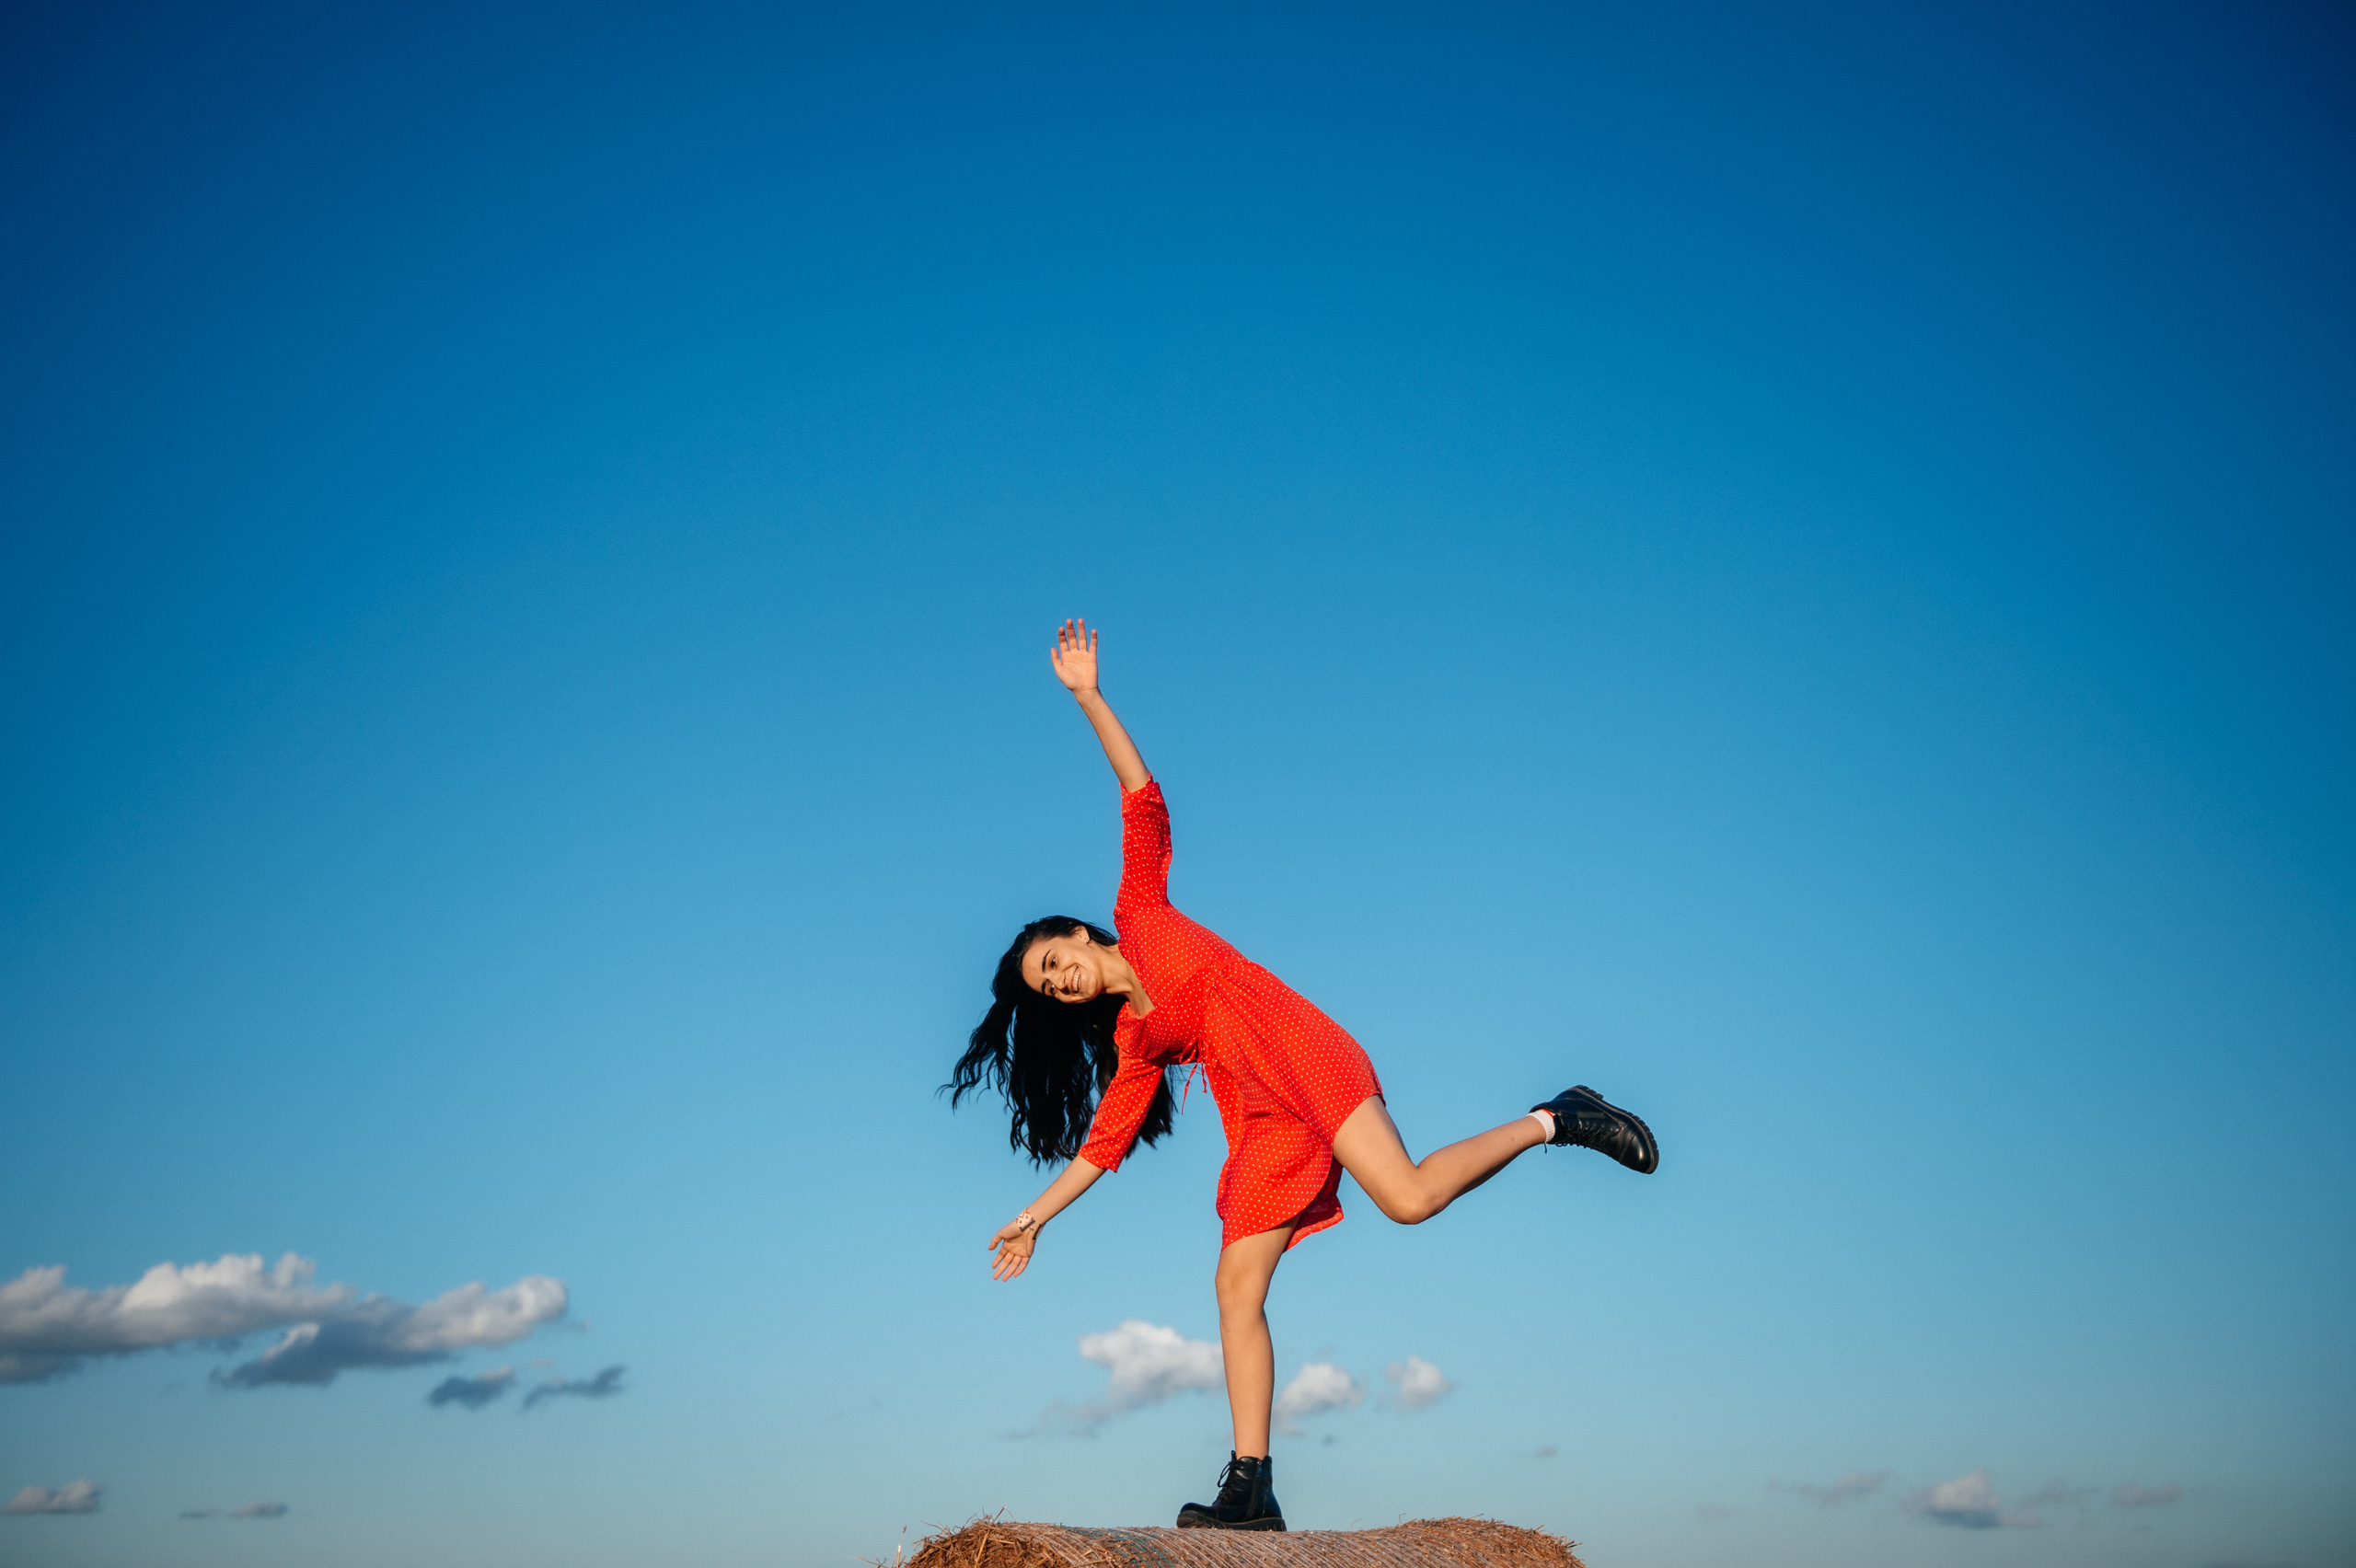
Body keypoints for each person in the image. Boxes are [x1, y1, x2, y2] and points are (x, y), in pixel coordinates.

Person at [949, 620, 1658, 1532]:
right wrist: (1033, 1219)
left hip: (1300, 1048)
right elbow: (1103, 1146)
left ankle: (1558, 1116)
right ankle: (1252, 1483)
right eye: (1049, 987)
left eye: (1057, 959)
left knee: (1403, 1200)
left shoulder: (1141, 907)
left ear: (1081, 937)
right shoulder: (1133, 1041)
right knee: (1234, 1288)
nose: (1060, 979)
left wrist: (1088, 696)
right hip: (1260, 1116)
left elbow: (1140, 796)